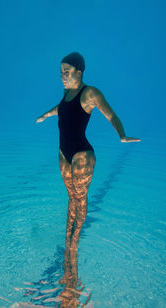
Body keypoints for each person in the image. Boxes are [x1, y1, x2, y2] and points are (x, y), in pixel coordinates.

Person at [36, 52, 141, 290]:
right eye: (61, 72)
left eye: (67, 71)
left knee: (80, 198)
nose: (62, 76)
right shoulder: (67, 93)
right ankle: (67, 240)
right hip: (63, 153)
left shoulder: (90, 92)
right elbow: (61, 109)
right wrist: (45, 115)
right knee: (70, 198)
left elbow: (110, 114)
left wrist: (122, 135)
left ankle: (74, 244)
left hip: (82, 155)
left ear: (79, 71)